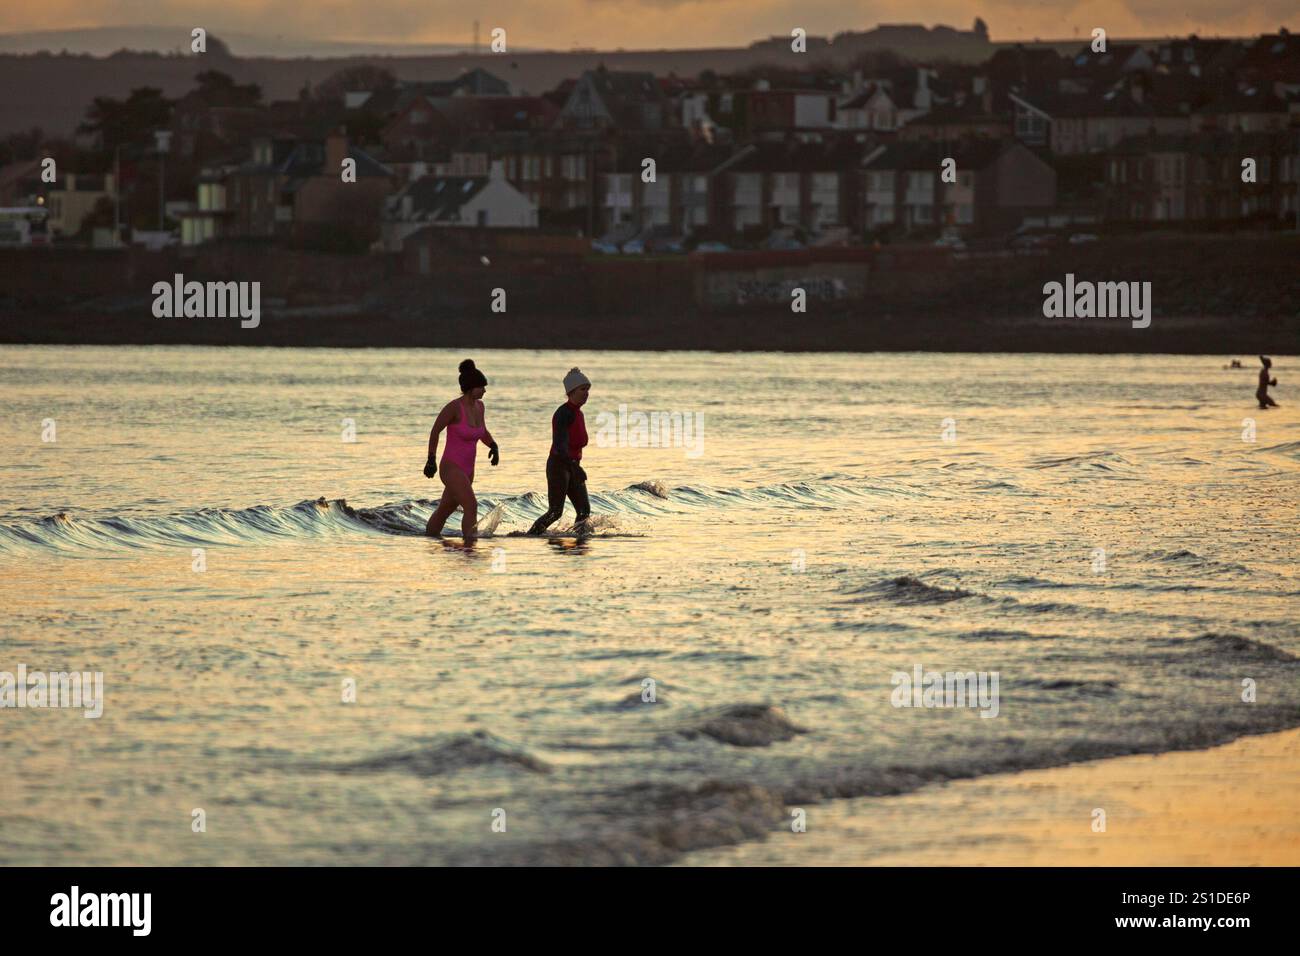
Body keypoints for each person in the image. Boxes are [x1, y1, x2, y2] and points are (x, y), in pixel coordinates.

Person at [423, 359, 499, 538]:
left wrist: (494, 446)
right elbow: (435, 432)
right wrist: (431, 460)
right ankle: (469, 547)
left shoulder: (480, 407)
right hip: (451, 468)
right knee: (471, 506)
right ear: (471, 387)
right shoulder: (454, 408)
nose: (485, 390)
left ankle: (429, 538)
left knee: (445, 509)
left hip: (468, 470)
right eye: (481, 387)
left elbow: (482, 432)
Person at [528, 368, 592, 535]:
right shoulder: (564, 413)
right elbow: (559, 447)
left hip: (572, 466)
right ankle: (530, 537)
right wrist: (574, 467)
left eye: (588, 390)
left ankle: (580, 545)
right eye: (582, 389)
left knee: (584, 511)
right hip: (559, 466)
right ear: (571, 392)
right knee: (555, 512)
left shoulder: (579, 414)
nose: (586, 393)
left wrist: (575, 466)